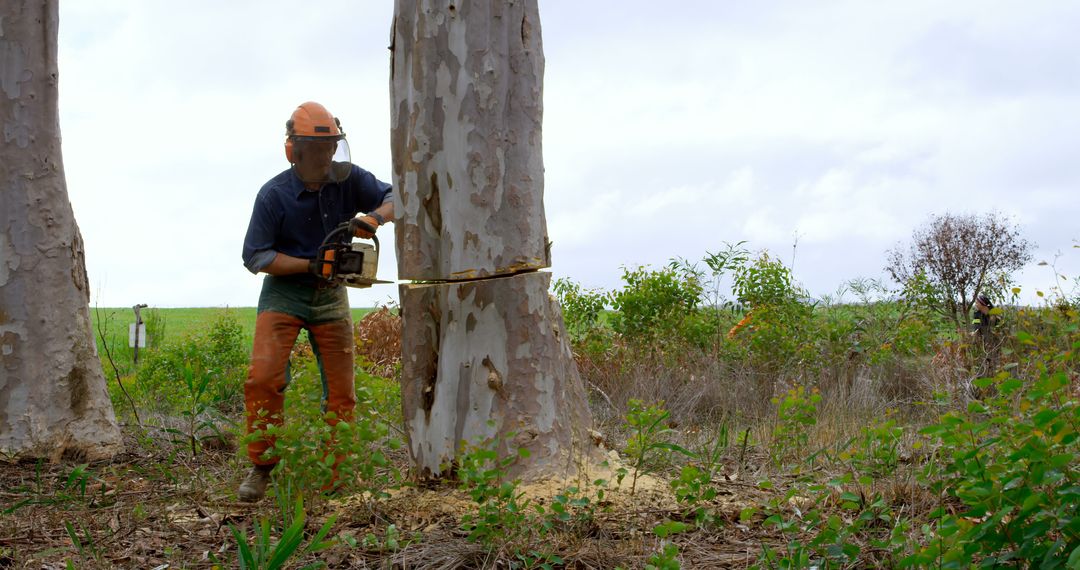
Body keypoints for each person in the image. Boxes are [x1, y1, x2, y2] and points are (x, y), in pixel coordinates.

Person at [238, 101, 393, 502]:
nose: (325, 157)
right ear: (295, 151)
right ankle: (261, 467)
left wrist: (374, 217)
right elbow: (256, 256)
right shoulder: (273, 195)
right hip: (284, 293)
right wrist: (310, 265)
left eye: (330, 148)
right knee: (264, 379)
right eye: (316, 149)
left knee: (342, 393)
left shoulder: (349, 180)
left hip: (331, 296)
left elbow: (398, 196)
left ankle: (335, 477)